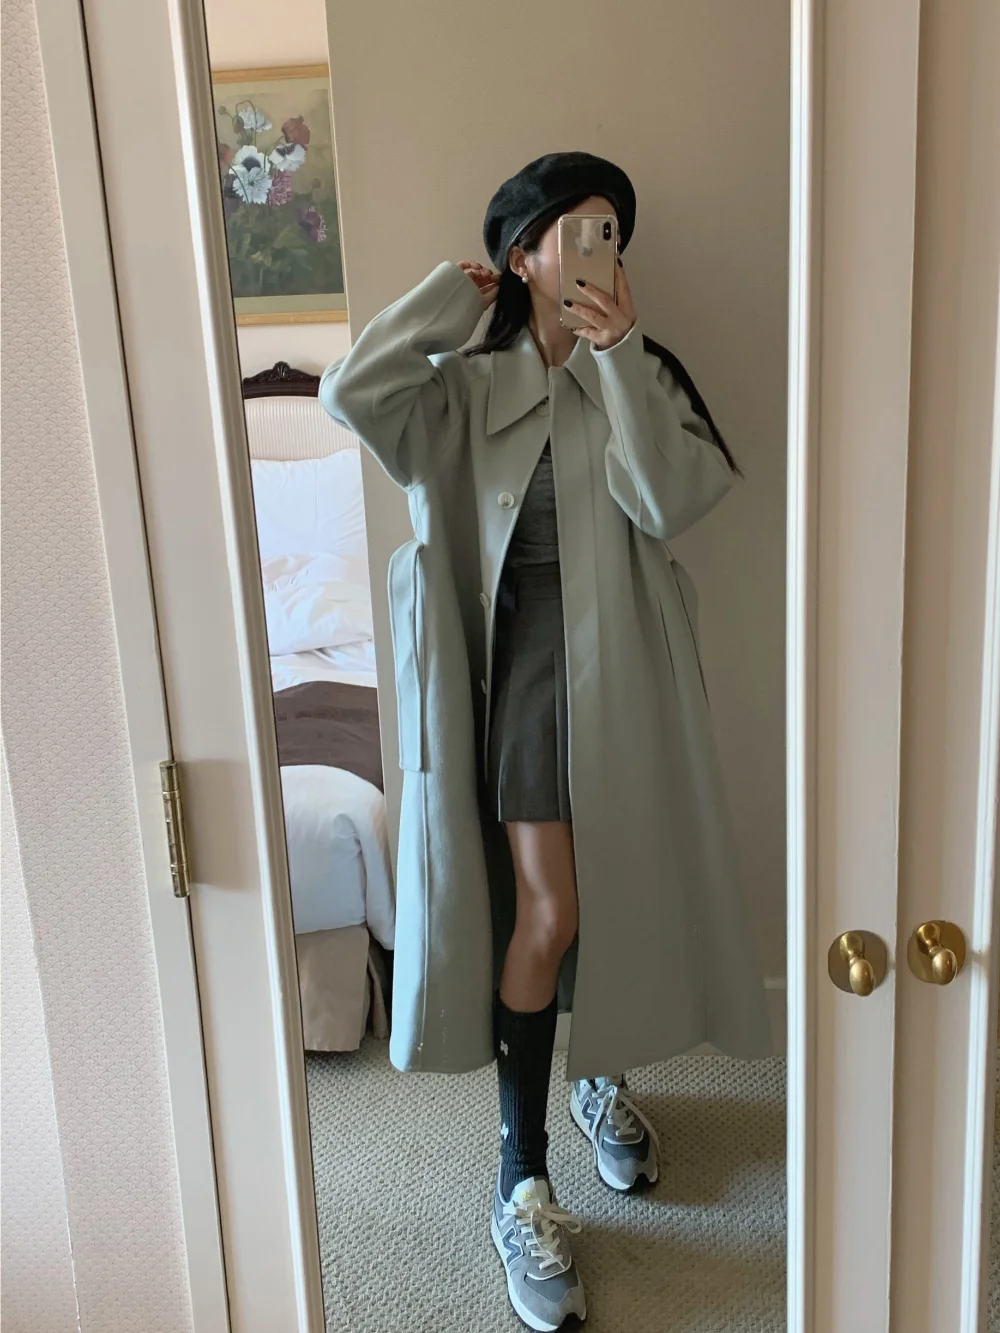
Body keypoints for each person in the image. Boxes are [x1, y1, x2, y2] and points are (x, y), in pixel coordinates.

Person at [321, 151, 770, 1332]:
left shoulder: (642, 371)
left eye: (610, 233)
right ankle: (520, 1173)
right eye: (572, 232)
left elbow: (674, 502)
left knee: (615, 892)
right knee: (549, 908)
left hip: (625, 673)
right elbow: (350, 392)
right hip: (516, 673)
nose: (594, 253)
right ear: (522, 253)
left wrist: (619, 358)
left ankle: (598, 1079)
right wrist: (444, 301)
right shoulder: (461, 386)